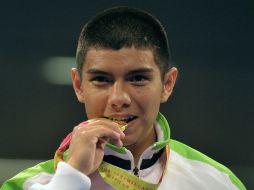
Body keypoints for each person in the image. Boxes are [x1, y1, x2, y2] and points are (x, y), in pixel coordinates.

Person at [1, 6, 246, 190]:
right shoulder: (29, 184)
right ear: (78, 86)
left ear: (167, 84)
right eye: (101, 79)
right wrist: (70, 177)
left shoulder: (218, 182)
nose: (119, 98)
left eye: (138, 78)